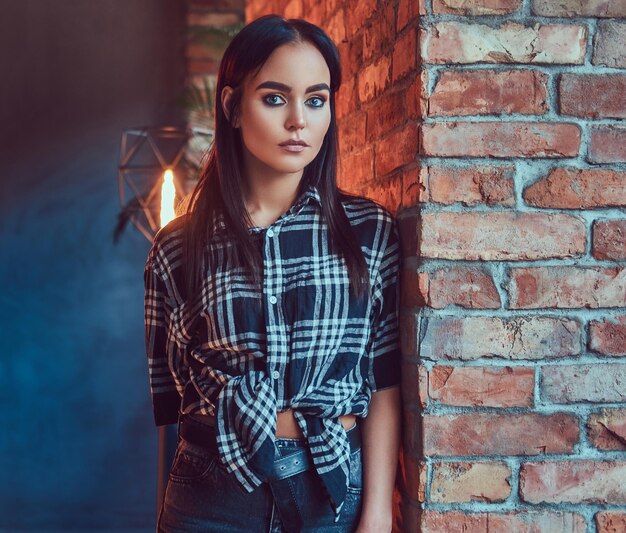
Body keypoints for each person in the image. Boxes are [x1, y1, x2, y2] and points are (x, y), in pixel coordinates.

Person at [144, 14, 402, 533]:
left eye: (316, 99)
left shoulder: (369, 232)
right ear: (232, 107)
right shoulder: (176, 247)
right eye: (275, 97)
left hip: (331, 489)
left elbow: (384, 381)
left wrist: (376, 513)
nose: (298, 122)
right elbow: (174, 407)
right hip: (210, 494)